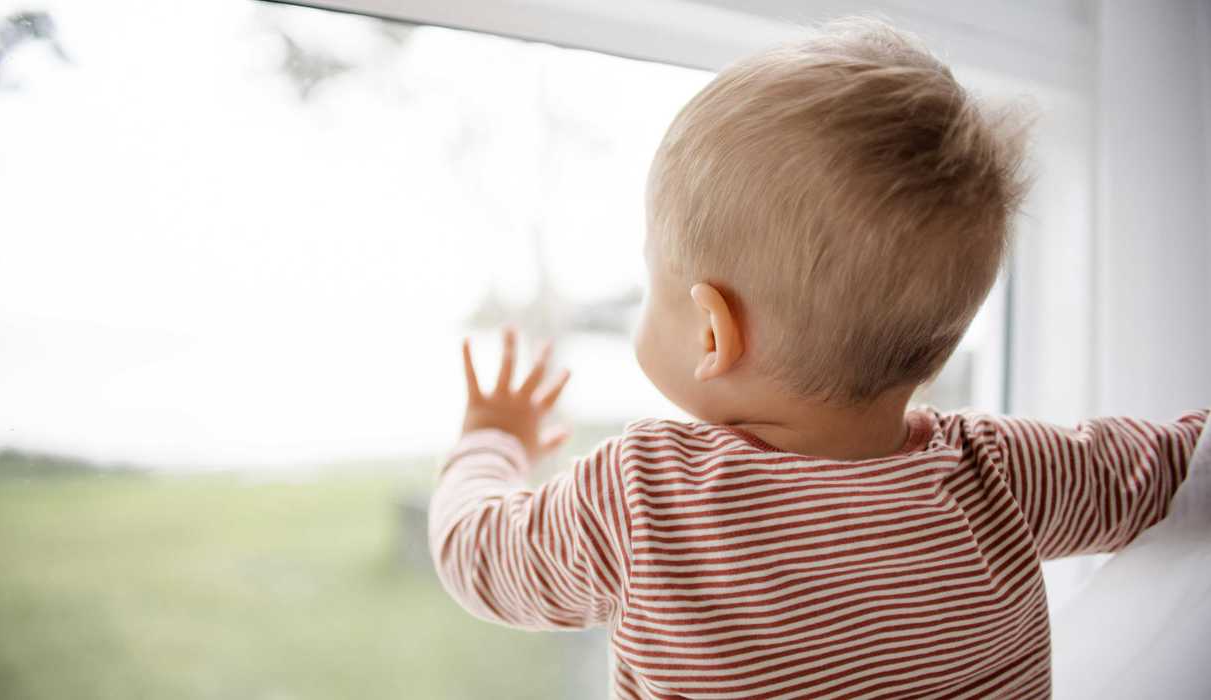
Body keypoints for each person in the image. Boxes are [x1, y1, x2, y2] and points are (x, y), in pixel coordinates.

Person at [427, 17, 1208, 699]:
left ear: (711, 333)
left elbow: (480, 558)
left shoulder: (645, 495)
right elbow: (1179, 463)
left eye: (650, 278)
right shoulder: (1000, 472)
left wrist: (491, 440)